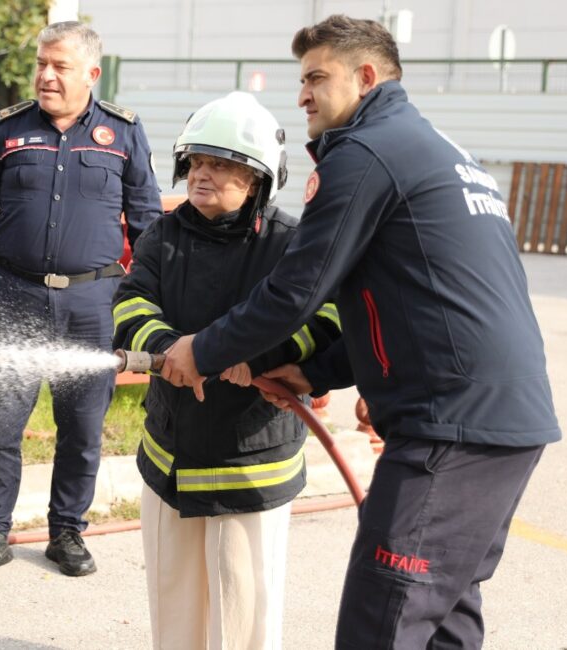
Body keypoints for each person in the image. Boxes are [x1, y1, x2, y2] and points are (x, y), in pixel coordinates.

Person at [159, 14, 562, 649]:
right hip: (503, 425)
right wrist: (315, 371)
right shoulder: (442, 151)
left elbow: (296, 290)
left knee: (384, 618)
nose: (303, 95)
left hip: (449, 428)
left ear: (366, 77)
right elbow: (413, 301)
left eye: (317, 77)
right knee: (445, 617)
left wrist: (201, 351)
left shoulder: (365, 154)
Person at [112, 91, 342, 649]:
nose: (202, 175)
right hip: (170, 457)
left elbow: (328, 318)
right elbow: (130, 303)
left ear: (258, 178)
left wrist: (258, 357)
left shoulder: (293, 244)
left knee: (244, 616)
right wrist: (168, 351)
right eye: (196, 162)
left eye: (220, 164)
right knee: (175, 610)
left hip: (250, 466)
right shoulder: (164, 234)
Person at [0, 20, 163, 579]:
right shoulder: (7, 129)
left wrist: (151, 305)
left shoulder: (124, 133)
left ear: (91, 72)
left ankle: (67, 532)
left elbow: (150, 223)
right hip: (13, 296)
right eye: (41, 63)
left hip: (94, 304)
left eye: (59, 65)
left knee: (83, 427)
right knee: (1, 423)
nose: (46, 75)